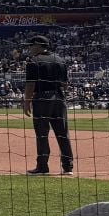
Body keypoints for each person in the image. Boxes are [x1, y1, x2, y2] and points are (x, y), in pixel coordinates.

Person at [23, 34, 73, 175]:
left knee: (42, 134)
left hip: (42, 99)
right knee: (63, 133)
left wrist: (27, 102)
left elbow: (30, 84)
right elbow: (65, 84)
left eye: (31, 46)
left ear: (38, 45)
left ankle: (42, 167)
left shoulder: (33, 61)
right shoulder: (60, 60)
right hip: (59, 98)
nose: (30, 48)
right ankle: (68, 167)